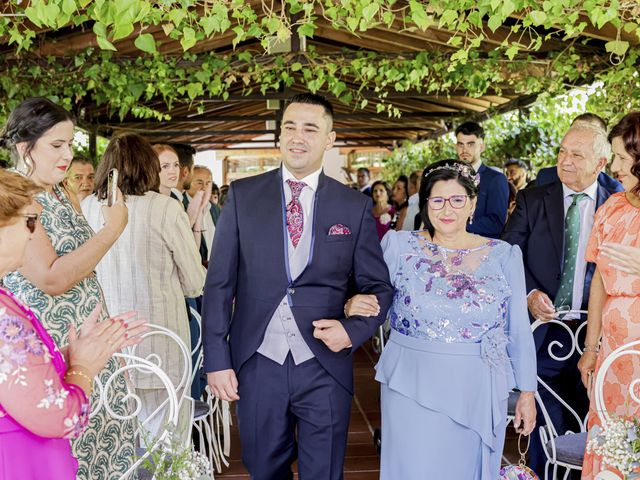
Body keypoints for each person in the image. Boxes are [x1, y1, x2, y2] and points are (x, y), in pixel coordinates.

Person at [202, 93, 394, 479]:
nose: (297, 136)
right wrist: (217, 362)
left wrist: (352, 330)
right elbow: (218, 286)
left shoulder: (352, 206)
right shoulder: (242, 196)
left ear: (329, 138)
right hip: (257, 363)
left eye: (310, 128)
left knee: (323, 471)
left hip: (325, 363)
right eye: (289, 127)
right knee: (262, 468)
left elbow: (378, 287)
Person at [348, 159, 536, 479]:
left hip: (477, 386)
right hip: (411, 381)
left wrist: (527, 393)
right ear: (425, 203)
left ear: (472, 204)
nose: (446, 208)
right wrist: (354, 302)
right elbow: (371, 294)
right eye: (437, 199)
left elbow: (517, 328)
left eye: (457, 199)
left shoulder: (504, 255)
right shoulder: (398, 245)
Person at [0, 97, 134, 480]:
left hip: (84, 343)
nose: (66, 155)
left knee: (112, 453)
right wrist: (112, 229)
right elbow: (52, 278)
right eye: (56, 145)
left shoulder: (59, 193)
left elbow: (84, 272)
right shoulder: (19, 200)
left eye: (69, 144)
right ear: (26, 148)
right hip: (46, 349)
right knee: (71, 456)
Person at [502, 124, 619, 476]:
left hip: (601, 339)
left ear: (601, 162)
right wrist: (529, 294)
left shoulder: (619, 204)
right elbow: (506, 257)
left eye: (576, 155)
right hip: (545, 334)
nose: (564, 162)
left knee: (600, 433)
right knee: (544, 427)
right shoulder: (534, 199)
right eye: (562, 151)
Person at [82, 133, 206, 440]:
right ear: (149, 168)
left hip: (107, 345)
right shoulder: (165, 208)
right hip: (161, 339)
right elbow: (194, 283)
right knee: (166, 437)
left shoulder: (87, 207)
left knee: (117, 438)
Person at [578, 112, 640, 480]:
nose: (614, 167)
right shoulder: (612, 208)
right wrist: (590, 347)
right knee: (611, 440)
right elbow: (599, 280)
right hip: (613, 352)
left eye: (621, 157)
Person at [455, 121, 510, 238]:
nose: (464, 150)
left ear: (481, 147)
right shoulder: (451, 177)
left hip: (482, 249)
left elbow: (496, 223)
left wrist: (457, 225)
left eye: (470, 144)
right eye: (460, 144)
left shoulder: (496, 179)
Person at [186, 165, 215, 265]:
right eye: (199, 182)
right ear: (188, 182)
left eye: (208, 183)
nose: (204, 187)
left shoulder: (214, 209)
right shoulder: (180, 206)